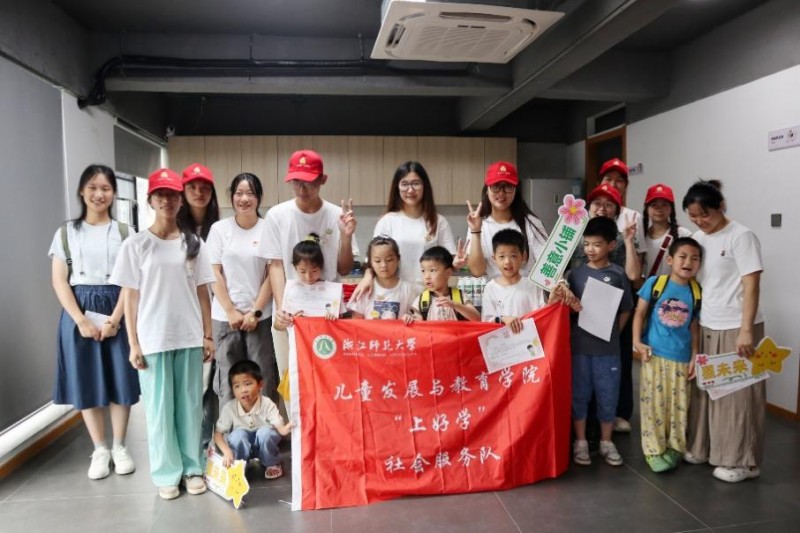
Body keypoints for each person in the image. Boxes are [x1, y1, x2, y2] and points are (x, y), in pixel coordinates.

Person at [110, 168, 216, 500]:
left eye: (172, 195)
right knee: (159, 411)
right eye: (161, 195)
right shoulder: (136, 244)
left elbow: (203, 291)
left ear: (180, 200)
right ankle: (167, 473)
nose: (167, 200)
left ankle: (192, 468)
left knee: (189, 408)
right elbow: (130, 296)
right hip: (153, 338)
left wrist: (208, 335)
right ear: (151, 200)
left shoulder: (193, 243)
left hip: (189, 335)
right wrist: (133, 343)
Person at [49, 164, 140, 480]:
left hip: (118, 307)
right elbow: (60, 281)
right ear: (81, 191)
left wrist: (115, 320)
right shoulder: (66, 233)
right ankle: (99, 449)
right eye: (92, 187)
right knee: (85, 378)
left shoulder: (126, 233)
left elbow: (131, 281)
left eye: (105, 188)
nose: (99, 194)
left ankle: (120, 446)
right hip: (79, 310)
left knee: (120, 378)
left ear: (113, 193)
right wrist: (80, 321)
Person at [682, 180, 765, 483]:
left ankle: (742, 461)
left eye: (704, 214)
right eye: (693, 216)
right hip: (708, 323)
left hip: (736, 326)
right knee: (707, 391)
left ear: (721, 207)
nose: (700, 221)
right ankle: (704, 448)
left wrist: (746, 330)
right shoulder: (696, 238)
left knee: (738, 395)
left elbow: (751, 284)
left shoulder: (741, 236)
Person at [263, 149, 358, 377]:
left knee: (329, 376)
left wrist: (346, 237)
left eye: (309, 182)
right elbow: (275, 266)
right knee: (291, 376)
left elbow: (344, 269)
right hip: (289, 312)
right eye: (296, 182)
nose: (302, 189)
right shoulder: (277, 215)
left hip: (327, 314)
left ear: (322, 180)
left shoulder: (337, 215)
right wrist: (282, 308)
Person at [570, 182, 640, 434]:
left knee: (610, 377)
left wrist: (628, 241)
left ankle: (611, 423)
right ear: (588, 207)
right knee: (581, 381)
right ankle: (584, 428)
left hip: (611, 322)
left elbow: (633, 276)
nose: (602, 208)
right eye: (597, 203)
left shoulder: (622, 239)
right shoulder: (573, 236)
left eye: (609, 204)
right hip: (580, 326)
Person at [632, 237, 703, 473]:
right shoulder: (656, 283)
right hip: (654, 355)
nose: (688, 262)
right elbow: (639, 313)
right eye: (683, 256)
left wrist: (695, 354)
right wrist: (636, 342)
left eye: (694, 258)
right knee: (653, 405)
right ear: (670, 260)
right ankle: (653, 450)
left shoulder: (696, 291)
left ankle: (675, 448)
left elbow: (694, 326)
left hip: (682, 358)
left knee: (679, 406)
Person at [567, 216, 633, 467]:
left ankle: (606, 441)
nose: (590, 250)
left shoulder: (618, 275)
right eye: (586, 244)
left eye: (596, 244)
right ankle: (580, 441)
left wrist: (615, 331)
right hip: (579, 348)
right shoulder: (575, 275)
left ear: (611, 245)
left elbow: (626, 308)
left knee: (608, 394)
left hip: (608, 350)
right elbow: (567, 310)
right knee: (579, 394)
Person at [206, 173, 276, 403]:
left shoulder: (268, 229)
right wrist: (230, 310)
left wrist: (255, 312)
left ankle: (264, 425)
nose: (244, 199)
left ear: (259, 198)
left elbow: (272, 274)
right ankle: (230, 425)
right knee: (229, 378)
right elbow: (213, 272)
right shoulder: (219, 230)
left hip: (261, 317)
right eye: (239, 193)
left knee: (263, 375)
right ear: (232, 197)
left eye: (250, 193)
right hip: (225, 318)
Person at [178, 163, 221, 453]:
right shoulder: (173, 231)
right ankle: (187, 444)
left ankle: (206, 443)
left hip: (215, 317)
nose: (198, 192)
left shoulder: (219, 229)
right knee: (187, 385)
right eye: (192, 187)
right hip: (183, 317)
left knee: (210, 384)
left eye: (205, 188)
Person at [465, 161, 548, 280]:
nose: (501, 193)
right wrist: (475, 231)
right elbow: (477, 271)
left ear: (515, 191)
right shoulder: (479, 225)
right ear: (487, 190)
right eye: (495, 186)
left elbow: (548, 263)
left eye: (508, 187)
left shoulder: (531, 223)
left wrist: (560, 282)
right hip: (494, 291)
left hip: (528, 290)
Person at [214, 360, 293, 479]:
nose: (243, 390)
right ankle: (240, 464)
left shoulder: (267, 403)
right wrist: (227, 451)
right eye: (237, 386)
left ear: (260, 385)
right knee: (238, 435)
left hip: (263, 445)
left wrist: (284, 429)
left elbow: (279, 426)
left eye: (248, 384)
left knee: (266, 432)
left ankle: (271, 463)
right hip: (242, 446)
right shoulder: (229, 408)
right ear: (232, 390)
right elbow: (218, 435)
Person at [273, 236, 346, 330]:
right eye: (302, 271)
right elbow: (278, 327)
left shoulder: (332, 291)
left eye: (314, 271)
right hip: (298, 338)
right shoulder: (291, 290)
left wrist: (334, 318)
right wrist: (286, 321)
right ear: (295, 268)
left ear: (321, 267)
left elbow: (343, 324)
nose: (308, 276)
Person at [481, 229, 548, 330]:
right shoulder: (490, 288)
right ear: (494, 258)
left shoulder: (533, 285)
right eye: (502, 256)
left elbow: (544, 315)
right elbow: (486, 321)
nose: (507, 261)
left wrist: (553, 301)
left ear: (523, 256)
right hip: (502, 338)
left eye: (513, 256)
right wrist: (503, 319)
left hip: (530, 338)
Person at [347, 235, 415, 323]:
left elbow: (415, 316)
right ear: (371, 262)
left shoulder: (407, 289)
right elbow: (356, 323)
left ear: (398, 259)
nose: (383, 265)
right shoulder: (364, 290)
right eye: (378, 261)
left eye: (389, 260)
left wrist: (410, 317)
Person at [410, 246, 480, 322]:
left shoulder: (460, 296)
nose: (427, 276)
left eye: (432, 270)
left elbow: (477, 318)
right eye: (423, 271)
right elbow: (416, 321)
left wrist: (455, 305)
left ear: (448, 273)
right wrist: (409, 319)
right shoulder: (421, 300)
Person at [641, 184, 693, 278]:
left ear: (671, 209)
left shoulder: (684, 235)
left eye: (664, 205)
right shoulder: (641, 236)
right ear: (647, 209)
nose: (659, 209)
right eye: (654, 205)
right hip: (649, 287)